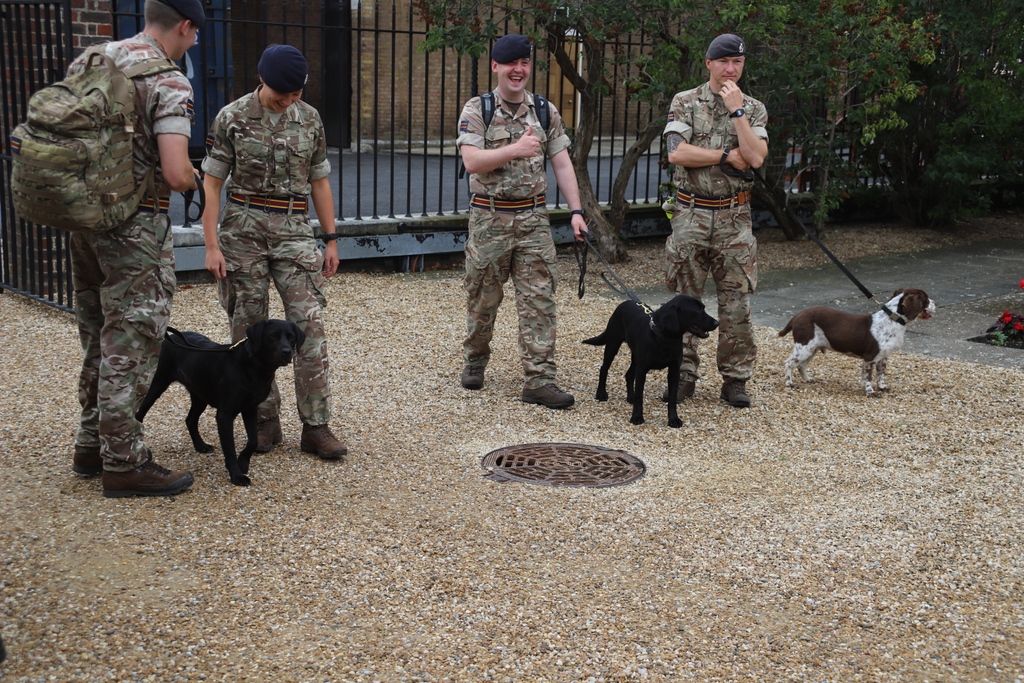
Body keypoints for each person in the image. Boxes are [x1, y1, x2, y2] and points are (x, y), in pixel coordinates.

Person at [70, 0, 204, 497]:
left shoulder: (93, 59)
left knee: (96, 332)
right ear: (186, 27)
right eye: (194, 36)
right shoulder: (168, 80)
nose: (193, 45)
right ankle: (124, 462)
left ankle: (91, 443)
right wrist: (194, 177)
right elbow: (173, 172)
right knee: (131, 340)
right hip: (133, 226)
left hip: (83, 219)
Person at [201, 44, 347, 460]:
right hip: (242, 229)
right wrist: (210, 245)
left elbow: (319, 181)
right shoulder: (231, 117)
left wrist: (331, 237)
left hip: (293, 230)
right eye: (280, 94)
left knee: (309, 326)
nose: (288, 102)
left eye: (295, 94)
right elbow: (212, 183)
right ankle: (263, 421)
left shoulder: (310, 119)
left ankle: (316, 426)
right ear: (261, 80)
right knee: (249, 328)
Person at [455, 33, 588, 409]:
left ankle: (539, 380)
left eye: (525, 63)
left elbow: (562, 162)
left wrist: (576, 212)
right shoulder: (477, 109)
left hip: (533, 220)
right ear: (495, 66)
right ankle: (475, 359)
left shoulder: (545, 110)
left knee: (539, 302)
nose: (519, 70)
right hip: (489, 219)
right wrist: (516, 148)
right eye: (511, 63)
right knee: (483, 301)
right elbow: (472, 162)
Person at [662, 33, 768, 408]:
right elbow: (677, 152)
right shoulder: (685, 102)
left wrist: (737, 112)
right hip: (691, 213)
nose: (730, 68)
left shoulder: (753, 108)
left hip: (734, 218)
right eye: (724, 61)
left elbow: (755, 158)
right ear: (708, 63)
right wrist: (725, 156)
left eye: (737, 62)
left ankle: (735, 380)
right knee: (685, 301)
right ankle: (683, 374)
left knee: (736, 304)